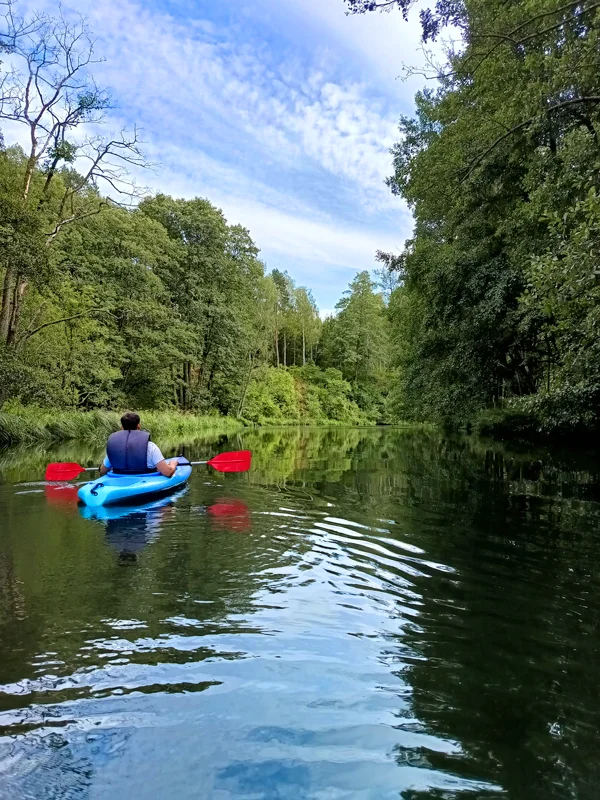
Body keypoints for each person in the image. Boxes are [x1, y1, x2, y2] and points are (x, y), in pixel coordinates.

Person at [99, 412, 180, 477]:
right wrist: (173, 464)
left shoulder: (114, 447)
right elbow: (168, 472)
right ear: (138, 426)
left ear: (122, 428)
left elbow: (102, 471)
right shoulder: (151, 447)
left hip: (118, 480)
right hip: (145, 481)